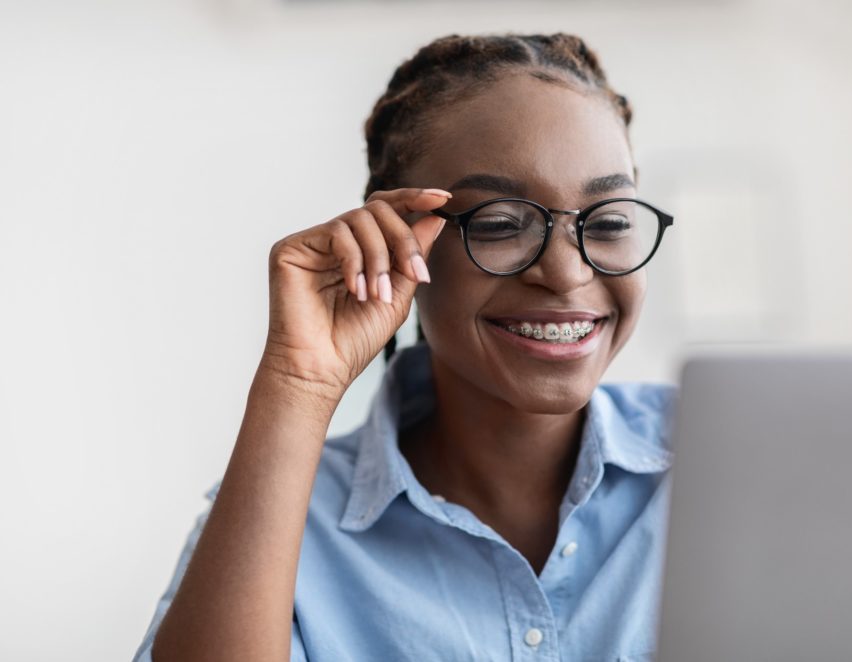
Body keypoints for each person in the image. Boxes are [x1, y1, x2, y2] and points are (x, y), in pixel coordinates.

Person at [135, 32, 676, 661]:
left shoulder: (725, 459)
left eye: (608, 221)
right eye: (500, 223)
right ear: (397, 240)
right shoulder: (283, 523)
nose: (566, 273)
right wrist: (298, 381)